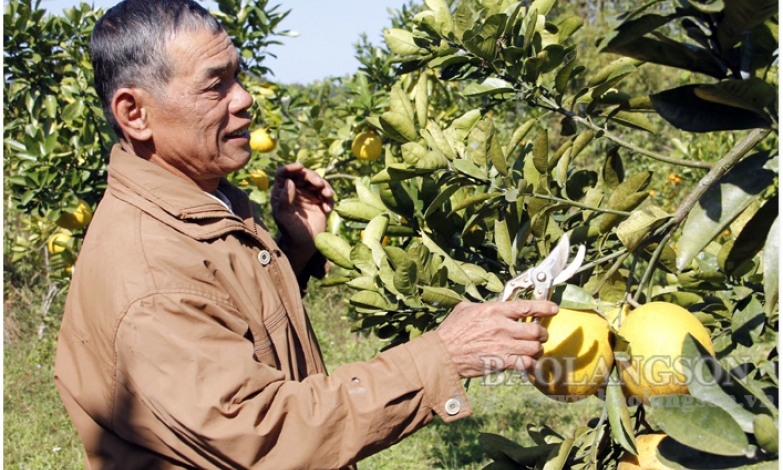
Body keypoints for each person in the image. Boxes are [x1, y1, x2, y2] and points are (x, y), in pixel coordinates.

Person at [53, 0, 557, 468]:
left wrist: (293, 250)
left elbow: (224, 325)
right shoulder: (149, 277)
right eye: (215, 85)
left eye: (238, 78)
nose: (245, 98)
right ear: (134, 114)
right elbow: (267, 434)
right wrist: (443, 356)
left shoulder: (200, 205)